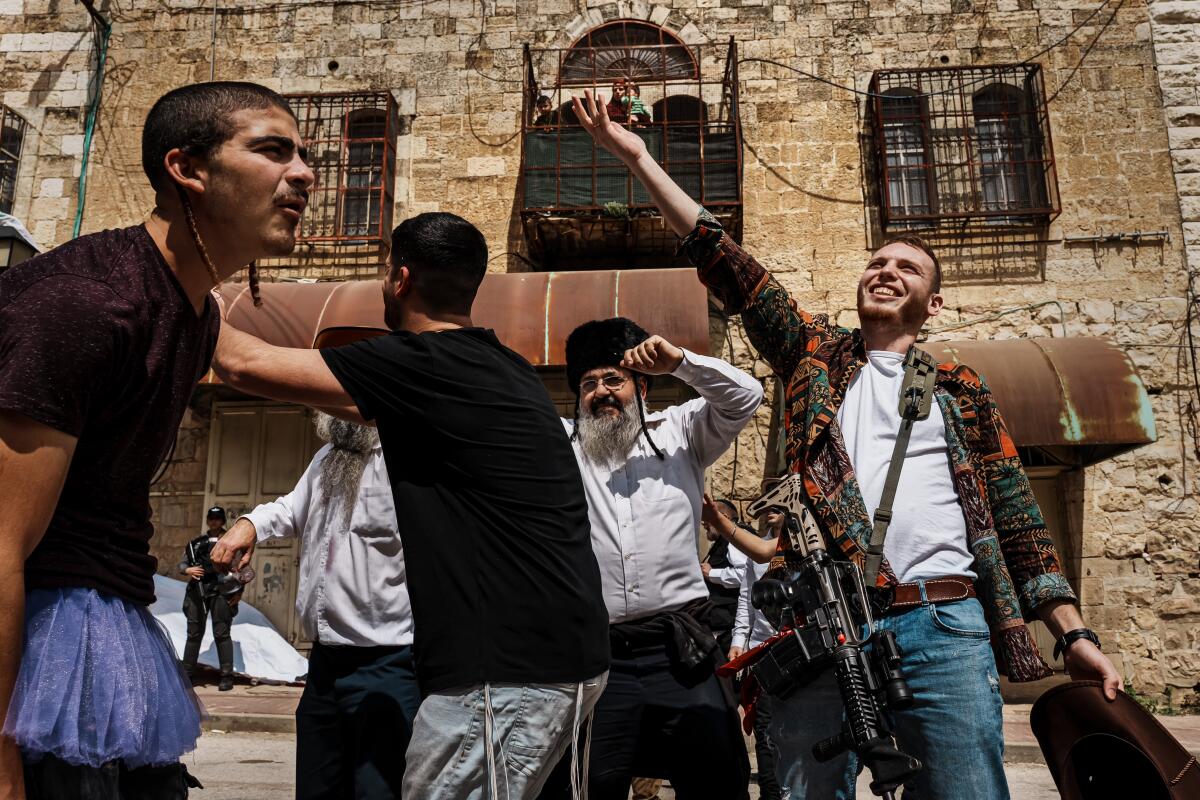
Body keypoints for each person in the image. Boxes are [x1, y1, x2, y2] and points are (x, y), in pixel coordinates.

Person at [569, 88, 1122, 800]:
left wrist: (1074, 635)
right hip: (818, 622)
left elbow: (1020, 523)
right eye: (877, 262)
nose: (886, 271)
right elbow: (726, 261)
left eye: (908, 269)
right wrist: (638, 156)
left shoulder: (961, 390)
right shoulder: (814, 358)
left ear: (934, 302)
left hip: (942, 625)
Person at [211, 211, 610, 799]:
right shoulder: (503, 370)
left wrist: (190, 285)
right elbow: (351, 415)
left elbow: (240, 363)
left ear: (399, 278)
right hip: (548, 662)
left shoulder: (424, 364)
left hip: (505, 675)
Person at [0, 81, 313, 799]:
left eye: (304, 154)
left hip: (105, 619)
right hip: (40, 643)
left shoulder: (192, 309)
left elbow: (260, 363)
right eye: (273, 150)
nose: (304, 173)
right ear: (187, 168)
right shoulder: (84, 304)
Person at [539, 316, 761, 800]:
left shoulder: (683, 431)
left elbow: (746, 396)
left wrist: (681, 364)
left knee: (718, 783)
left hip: (682, 652)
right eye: (589, 383)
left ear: (641, 386)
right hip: (600, 661)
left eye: (613, 379)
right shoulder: (560, 445)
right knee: (588, 785)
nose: (601, 392)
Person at [212, 413, 417, 800]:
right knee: (317, 788)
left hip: (386, 665)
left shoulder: (404, 460)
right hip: (323, 668)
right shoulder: (327, 458)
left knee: (379, 790)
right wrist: (249, 524)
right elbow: (291, 509)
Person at [721, 498, 784, 800]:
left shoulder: (812, 548)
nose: (771, 510)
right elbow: (746, 605)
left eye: (780, 503)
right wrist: (737, 643)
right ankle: (770, 793)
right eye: (767, 505)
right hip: (764, 655)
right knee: (765, 728)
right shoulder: (755, 553)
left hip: (805, 653)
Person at [178, 506, 244, 691]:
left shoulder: (232, 543)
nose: (214, 521)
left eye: (218, 518)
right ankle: (188, 674)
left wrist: (238, 594)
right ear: (208, 520)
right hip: (198, 591)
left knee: (222, 633)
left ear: (223, 521)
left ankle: (226, 675)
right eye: (211, 518)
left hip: (222, 592)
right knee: (194, 634)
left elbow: (243, 570)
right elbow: (182, 564)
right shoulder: (197, 544)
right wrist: (188, 570)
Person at [700, 498, 749, 655]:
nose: (703, 523)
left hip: (732, 629)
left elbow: (745, 576)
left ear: (724, 517)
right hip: (725, 626)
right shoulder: (727, 539)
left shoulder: (737, 537)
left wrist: (711, 574)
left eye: (707, 517)